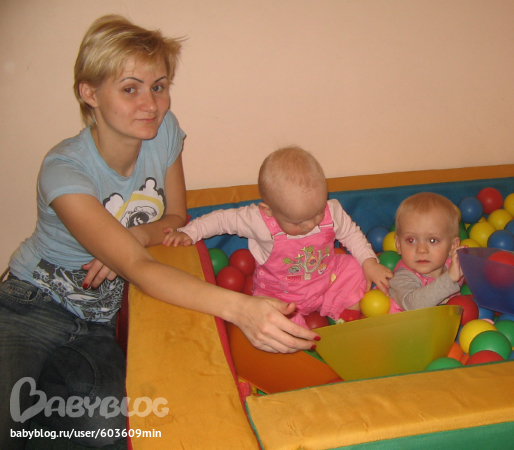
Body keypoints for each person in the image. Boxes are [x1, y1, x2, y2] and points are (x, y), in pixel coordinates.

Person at [0, 15, 318, 450]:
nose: (150, 104)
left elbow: (175, 217)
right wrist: (242, 309)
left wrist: (133, 236)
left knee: (109, 428)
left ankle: (37, 405)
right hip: (33, 303)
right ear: (89, 93)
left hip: (99, 321)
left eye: (159, 86)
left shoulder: (164, 132)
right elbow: (138, 267)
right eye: (130, 89)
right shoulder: (64, 169)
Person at [163, 146, 393, 327]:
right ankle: (299, 336)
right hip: (280, 295)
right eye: (298, 222)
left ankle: (346, 318)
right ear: (269, 211)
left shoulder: (331, 211)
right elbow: (222, 220)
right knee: (268, 315)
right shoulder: (260, 222)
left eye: (317, 213)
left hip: (325, 279)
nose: (311, 225)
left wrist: (369, 261)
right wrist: (189, 232)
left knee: (352, 267)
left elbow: (351, 233)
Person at [388, 192, 465, 313]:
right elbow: (414, 305)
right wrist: (450, 278)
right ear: (398, 245)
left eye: (432, 240)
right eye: (411, 240)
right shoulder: (401, 277)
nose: (421, 249)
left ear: (452, 246)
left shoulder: (452, 265)